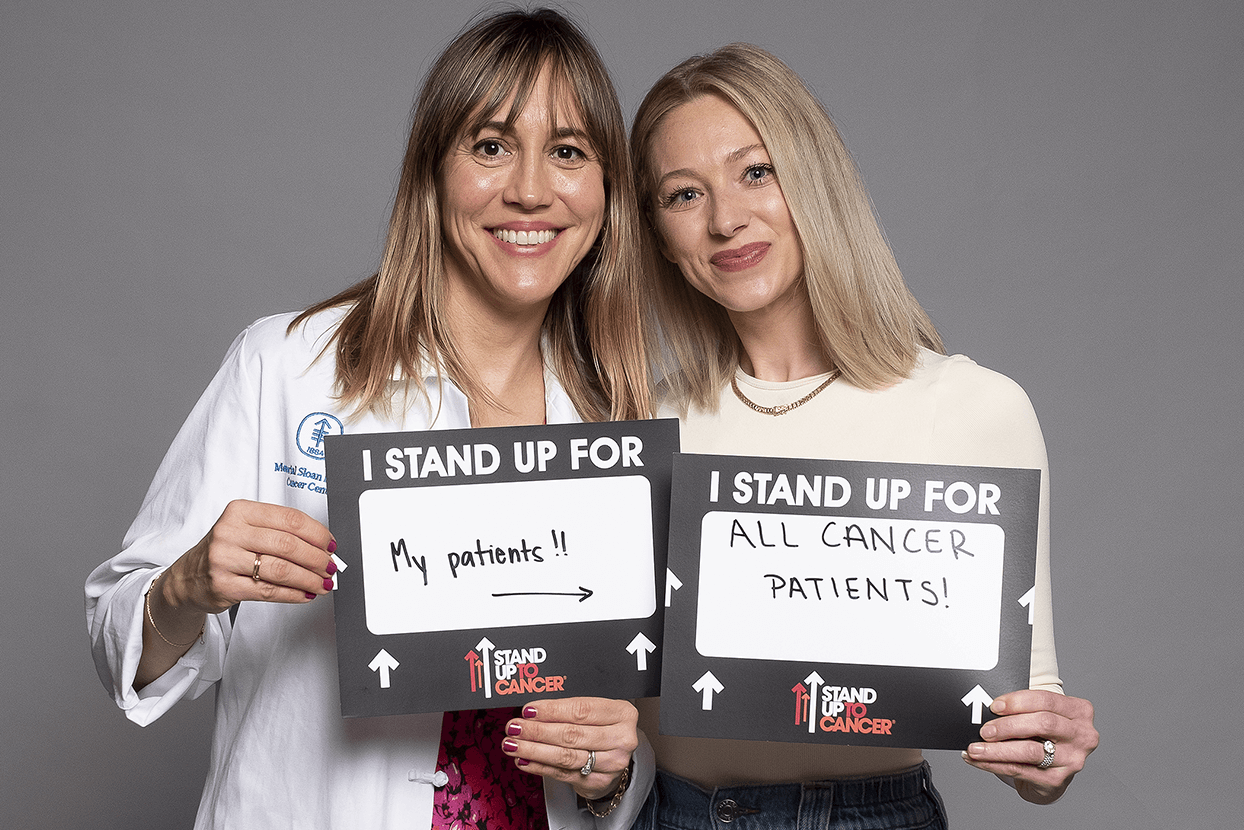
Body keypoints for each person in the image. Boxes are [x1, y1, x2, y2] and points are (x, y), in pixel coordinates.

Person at [85, 9, 655, 829]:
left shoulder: (622, 421)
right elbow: (119, 644)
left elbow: (632, 742)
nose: (531, 188)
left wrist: (607, 771)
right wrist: (187, 583)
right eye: (490, 145)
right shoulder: (286, 365)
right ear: (434, 170)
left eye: (568, 151)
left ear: (606, 191)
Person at [627, 43, 1099, 828]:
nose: (725, 219)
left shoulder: (974, 406)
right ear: (658, 230)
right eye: (683, 194)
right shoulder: (637, 424)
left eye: (756, 171)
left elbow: (1029, 708)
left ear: (813, 179)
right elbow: (606, 698)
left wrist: (1045, 751)